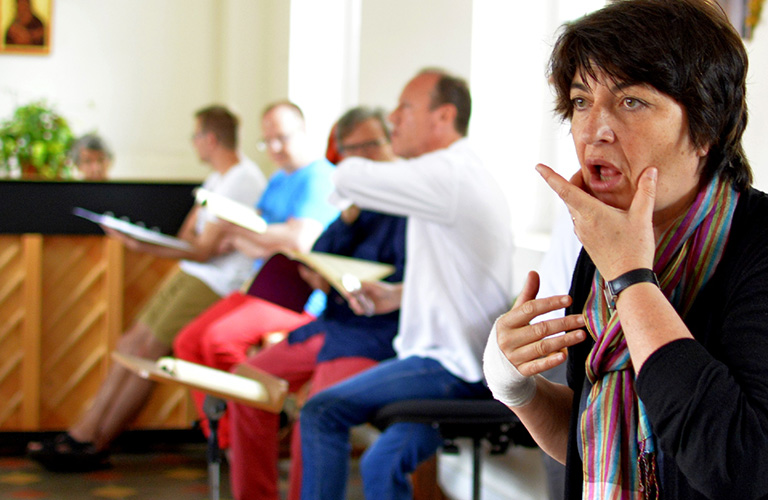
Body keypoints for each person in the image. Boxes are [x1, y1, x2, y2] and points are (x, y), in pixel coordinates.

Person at [482, 1, 768, 499]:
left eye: (631, 101)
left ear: (705, 125)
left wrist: (632, 279)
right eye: (580, 102)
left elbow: (733, 462)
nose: (595, 128)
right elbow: (601, 441)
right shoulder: (602, 257)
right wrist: (517, 388)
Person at [297, 69, 513, 500]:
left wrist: (363, 151)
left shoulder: (447, 173)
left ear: (443, 116)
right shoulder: (450, 175)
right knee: (382, 463)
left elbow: (345, 177)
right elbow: (460, 277)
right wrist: (396, 295)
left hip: (454, 367)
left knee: (321, 412)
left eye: (405, 108)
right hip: (462, 360)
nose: (393, 117)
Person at [27, 105, 267, 472]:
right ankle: (84, 432)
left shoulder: (242, 180)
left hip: (216, 282)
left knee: (147, 352)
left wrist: (144, 246)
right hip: (193, 272)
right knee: (129, 343)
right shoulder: (216, 179)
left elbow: (200, 248)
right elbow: (190, 237)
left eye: (195, 136)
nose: (193, 144)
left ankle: (94, 440)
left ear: (210, 138)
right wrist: (191, 245)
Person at [216, 106, 404, 500]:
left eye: (371, 145)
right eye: (350, 150)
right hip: (332, 326)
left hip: (379, 336)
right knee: (247, 384)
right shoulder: (355, 202)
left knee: (317, 413)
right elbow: (315, 258)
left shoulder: (414, 200)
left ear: (392, 144)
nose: (361, 157)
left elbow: (415, 285)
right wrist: (347, 222)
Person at [171, 100, 341, 448]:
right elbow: (250, 236)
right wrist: (265, 238)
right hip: (261, 284)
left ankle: (250, 428)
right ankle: (222, 437)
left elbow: (298, 240)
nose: (275, 148)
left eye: (283, 138)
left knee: (219, 341)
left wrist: (261, 238)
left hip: (299, 293)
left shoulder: (320, 176)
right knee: (187, 342)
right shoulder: (278, 180)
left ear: (304, 132)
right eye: (267, 141)